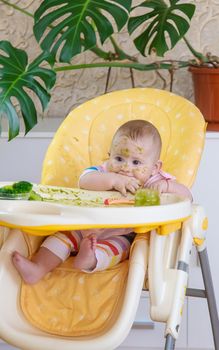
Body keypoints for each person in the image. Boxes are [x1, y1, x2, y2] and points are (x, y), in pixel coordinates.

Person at [12, 120, 192, 284]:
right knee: (58, 239)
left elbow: (188, 197)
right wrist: (112, 180)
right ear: (110, 155)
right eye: (119, 158)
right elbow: (84, 180)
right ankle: (38, 268)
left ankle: (89, 258)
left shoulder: (152, 182)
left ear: (155, 168)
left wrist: (167, 186)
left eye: (136, 162)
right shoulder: (104, 172)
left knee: (114, 250)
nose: (126, 167)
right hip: (82, 226)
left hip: (120, 234)